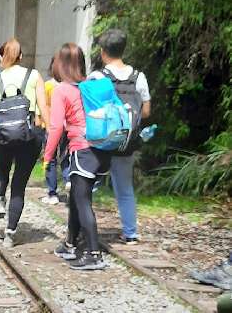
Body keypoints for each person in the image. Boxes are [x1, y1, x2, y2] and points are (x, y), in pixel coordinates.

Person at [45, 42, 109, 270]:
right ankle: (71, 243)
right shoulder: (89, 86)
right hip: (101, 150)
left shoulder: (62, 89)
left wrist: (47, 156)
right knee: (75, 198)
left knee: (83, 202)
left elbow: (55, 128)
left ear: (60, 64)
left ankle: (94, 254)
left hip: (82, 150)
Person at [0, 38, 48, 248]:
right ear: (21, 56)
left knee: (2, 171)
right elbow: (44, 110)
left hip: (3, 137)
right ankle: (10, 233)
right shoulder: (34, 76)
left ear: (2, 57)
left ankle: (0, 198)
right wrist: (50, 134)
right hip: (30, 136)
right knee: (19, 185)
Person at [87, 29, 151, 244]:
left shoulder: (97, 77)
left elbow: (89, 111)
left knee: (86, 186)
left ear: (103, 52)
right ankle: (130, 232)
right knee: (125, 189)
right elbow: (146, 111)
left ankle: (84, 229)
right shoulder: (138, 77)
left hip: (101, 143)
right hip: (127, 142)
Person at [42, 58, 70, 205]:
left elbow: (45, 106)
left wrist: (42, 123)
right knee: (65, 156)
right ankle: (68, 180)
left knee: (50, 159)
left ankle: (52, 193)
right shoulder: (70, 86)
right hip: (67, 127)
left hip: (52, 126)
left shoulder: (47, 86)